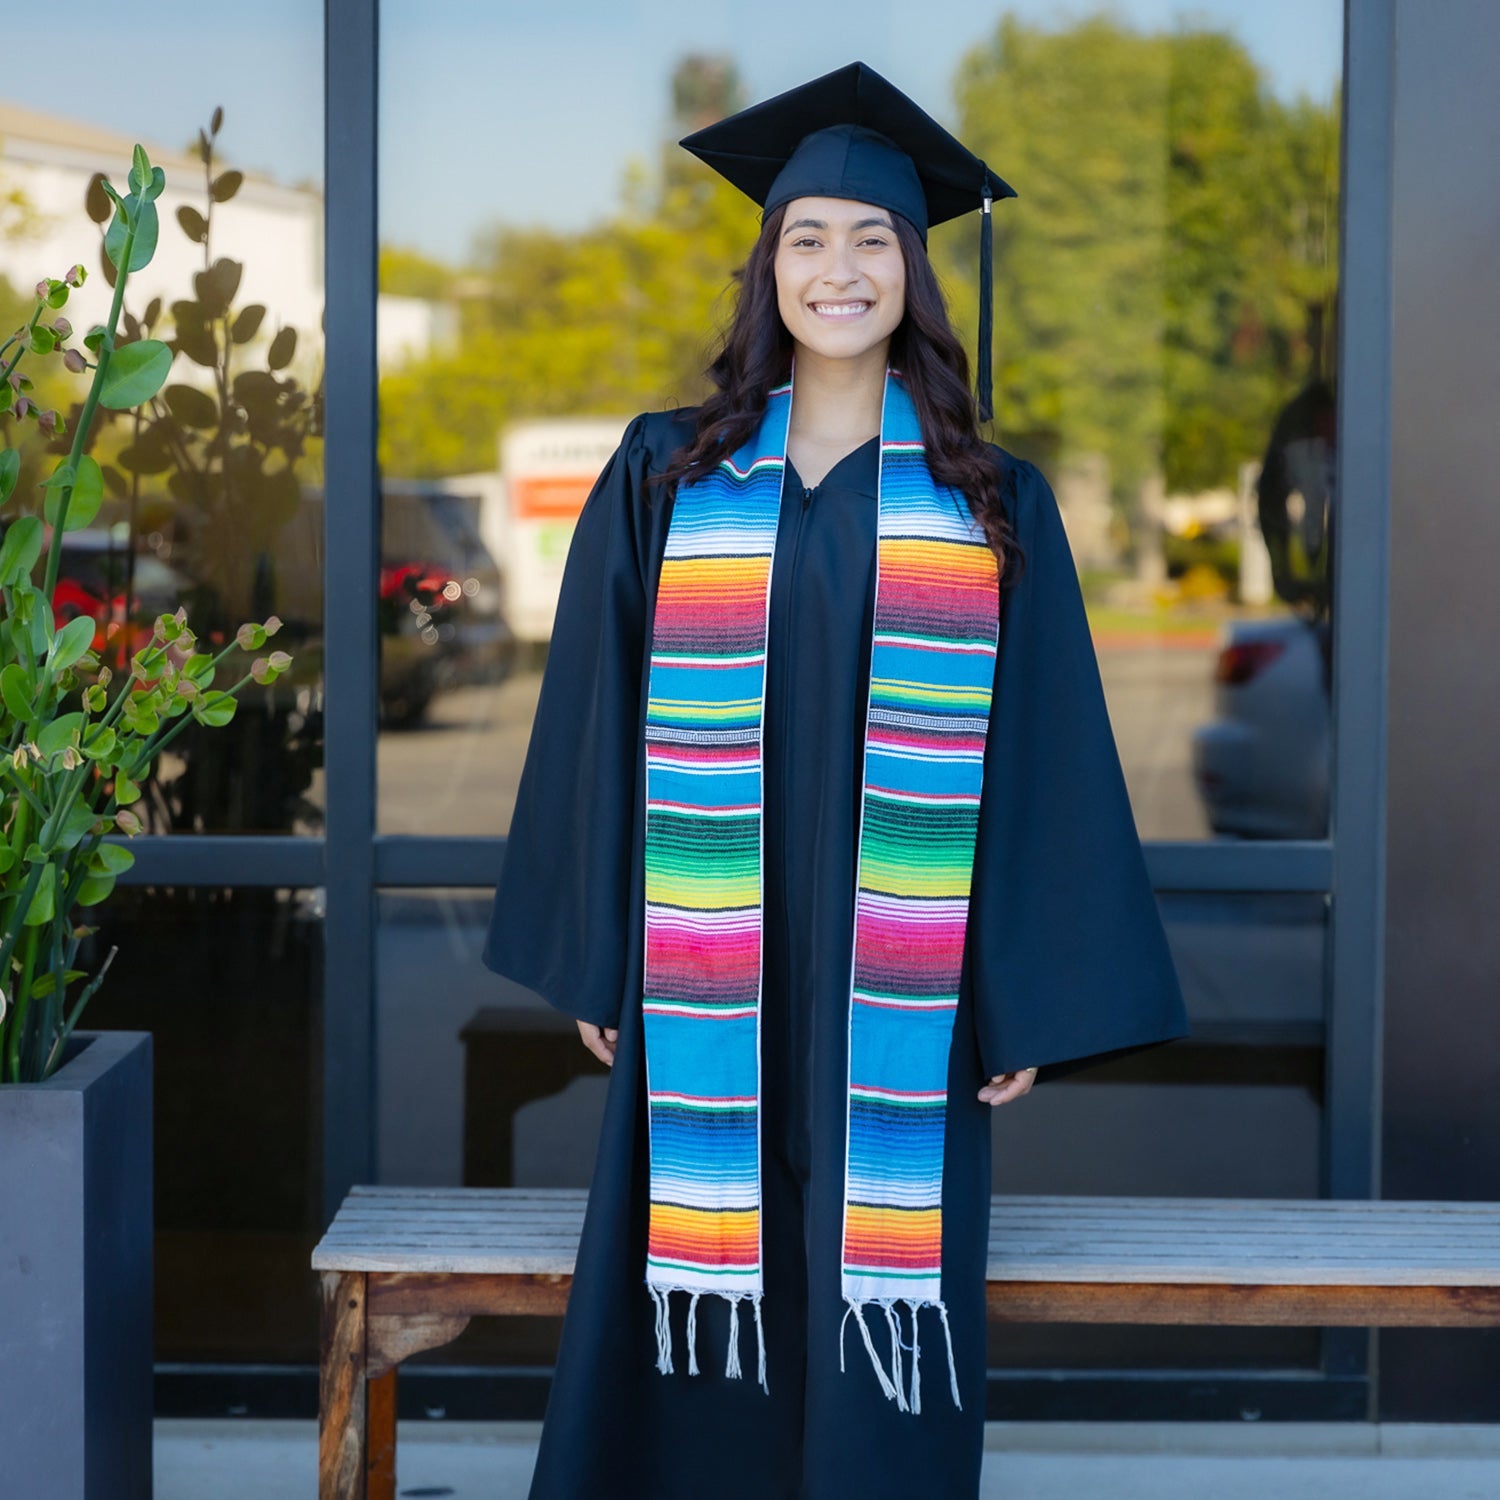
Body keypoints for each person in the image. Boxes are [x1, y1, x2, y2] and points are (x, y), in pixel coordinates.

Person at [484, 60, 1190, 1500]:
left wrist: (1017, 989)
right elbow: (594, 716)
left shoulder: (989, 500)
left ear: (914, 275)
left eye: (874, 238)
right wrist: (599, 960)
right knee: (698, 1323)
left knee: (879, 1325)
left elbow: (1040, 759)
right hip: (710, 969)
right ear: (770, 272)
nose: (840, 267)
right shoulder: (673, 477)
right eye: (807, 238)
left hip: (896, 990)